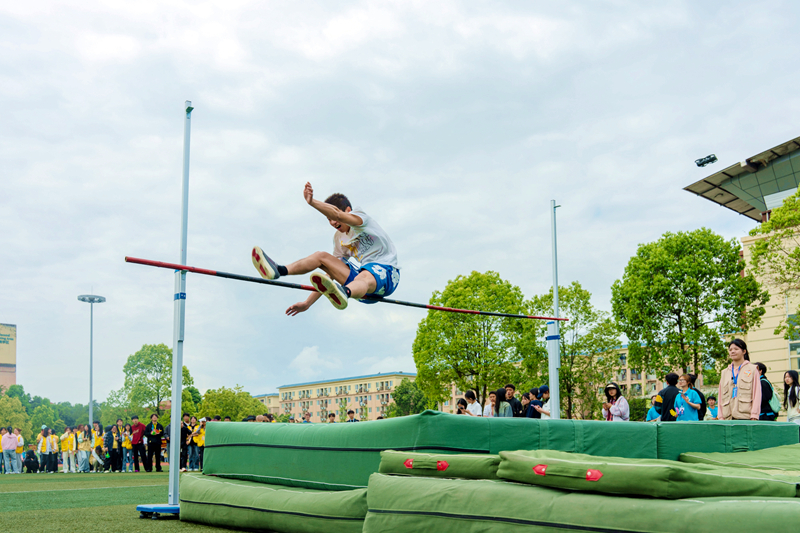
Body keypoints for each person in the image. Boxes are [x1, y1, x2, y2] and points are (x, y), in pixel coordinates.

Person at [252, 184, 400, 313]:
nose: (333, 222)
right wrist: (307, 303)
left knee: (365, 275)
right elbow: (329, 276)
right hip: (359, 291)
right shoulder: (339, 238)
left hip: (386, 276)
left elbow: (337, 214)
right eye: (329, 219)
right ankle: (279, 270)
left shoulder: (361, 218)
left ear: (348, 210)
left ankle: (345, 291)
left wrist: (312, 202)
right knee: (321, 256)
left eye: (334, 218)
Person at [717, 339, 761, 421]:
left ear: (744, 351)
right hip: (728, 418)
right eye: (730, 350)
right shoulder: (724, 372)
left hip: (745, 417)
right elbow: (720, 396)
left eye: (736, 349)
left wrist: (754, 415)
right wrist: (720, 416)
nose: (732, 351)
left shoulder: (752, 369)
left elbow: (757, 393)